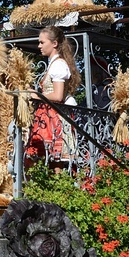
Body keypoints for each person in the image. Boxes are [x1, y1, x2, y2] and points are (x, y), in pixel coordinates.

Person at [29, 25, 81, 165]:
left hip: (55, 116)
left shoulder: (58, 65)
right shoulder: (54, 64)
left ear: (54, 43)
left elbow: (58, 96)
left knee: (56, 162)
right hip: (49, 115)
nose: (39, 46)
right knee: (50, 160)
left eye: (42, 42)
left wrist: (36, 96)